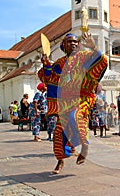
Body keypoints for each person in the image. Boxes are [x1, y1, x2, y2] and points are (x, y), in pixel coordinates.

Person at [38, 32, 108, 174]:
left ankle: (85, 147)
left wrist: (93, 47)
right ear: (64, 45)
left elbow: (102, 61)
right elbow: (48, 78)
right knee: (58, 133)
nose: (73, 44)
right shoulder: (59, 63)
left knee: (75, 117)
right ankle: (60, 161)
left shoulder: (83, 58)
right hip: (65, 102)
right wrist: (46, 65)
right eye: (70, 42)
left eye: (76, 41)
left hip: (82, 98)